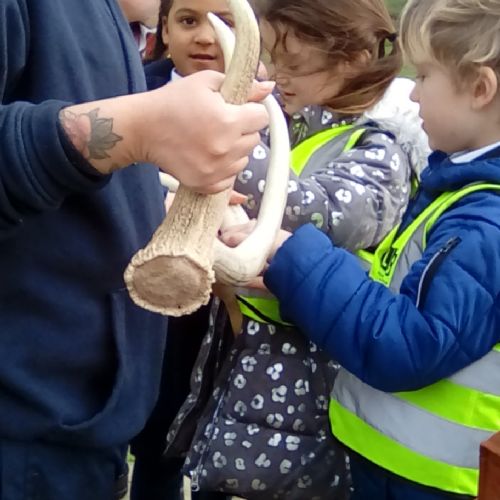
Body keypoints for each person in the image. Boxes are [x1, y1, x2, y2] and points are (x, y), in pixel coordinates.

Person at [223, 0, 500, 498]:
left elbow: (409, 343)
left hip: (431, 483)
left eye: (426, 76)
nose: (412, 93)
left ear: (481, 89)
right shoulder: (460, 192)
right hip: (399, 468)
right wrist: (293, 279)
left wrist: (296, 259)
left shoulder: (487, 222)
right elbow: (400, 293)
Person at [0, 0, 271, 499]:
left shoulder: (109, 18)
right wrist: (135, 130)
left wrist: (148, 208)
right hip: (23, 445)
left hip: (75, 441)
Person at [169, 0, 429, 498]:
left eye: (295, 64)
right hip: (253, 375)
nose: (277, 75)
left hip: (310, 394)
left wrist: (228, 144)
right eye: (273, 59)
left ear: (354, 59)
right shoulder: (294, 124)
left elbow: (324, 212)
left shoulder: (383, 149)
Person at [129, 1, 233, 498]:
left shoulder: (272, 108)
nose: (206, 37)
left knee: (193, 442)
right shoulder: (129, 93)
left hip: (221, 310)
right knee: (141, 436)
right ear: (164, 30)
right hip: (136, 295)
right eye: (188, 21)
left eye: (225, 22)